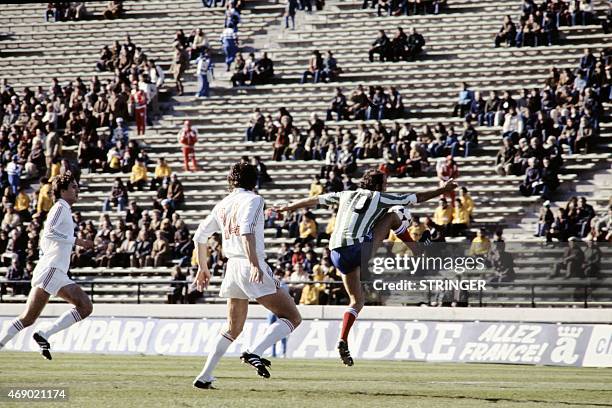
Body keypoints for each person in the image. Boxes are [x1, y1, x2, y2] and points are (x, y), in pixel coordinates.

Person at [274, 169, 456, 366]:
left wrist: (288, 207)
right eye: (385, 183)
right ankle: (417, 250)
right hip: (357, 249)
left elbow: (315, 200)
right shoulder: (378, 197)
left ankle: (343, 339)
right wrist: (443, 189)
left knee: (356, 301)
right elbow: (417, 197)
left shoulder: (345, 194)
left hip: (336, 254)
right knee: (395, 215)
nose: (386, 186)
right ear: (377, 185)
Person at [191, 162, 302, 389]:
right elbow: (246, 231)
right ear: (255, 181)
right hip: (249, 263)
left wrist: (203, 268)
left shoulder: (222, 204)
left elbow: (199, 236)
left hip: (231, 268)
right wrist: (254, 264)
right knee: (292, 316)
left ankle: (204, 376)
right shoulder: (254, 199)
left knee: (233, 328)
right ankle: (254, 351)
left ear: (231, 181)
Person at [0, 172, 94, 359]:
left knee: (30, 318)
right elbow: (49, 233)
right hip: (51, 269)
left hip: (54, 270)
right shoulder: (59, 207)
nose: (77, 190)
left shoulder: (64, 209)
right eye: (73, 187)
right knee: (82, 307)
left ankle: (43, 334)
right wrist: (78, 241)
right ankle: (40, 334)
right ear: (62, 190)